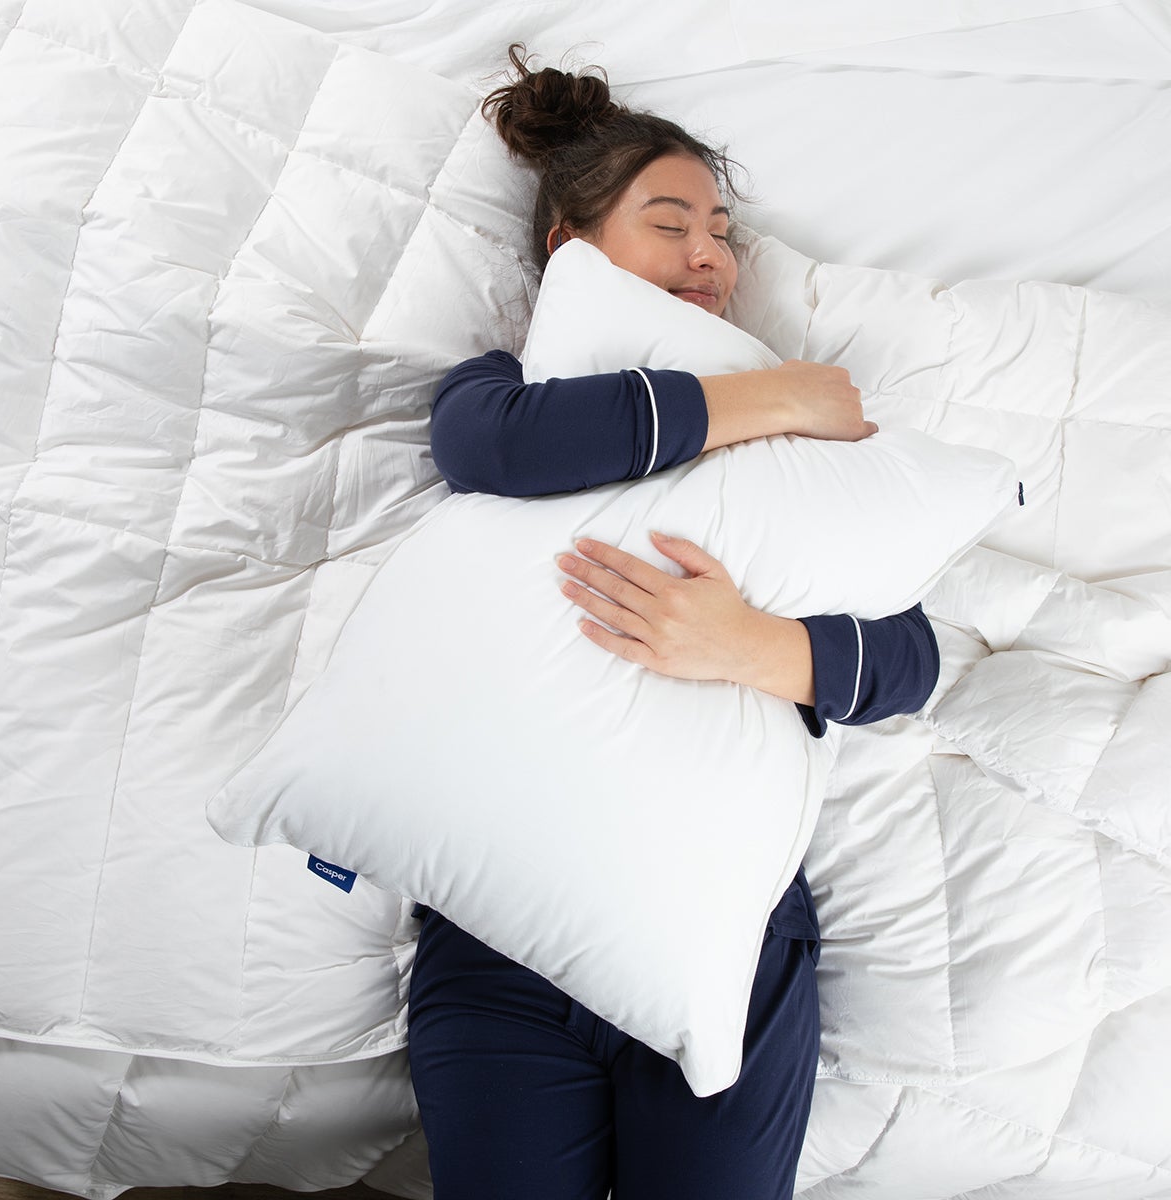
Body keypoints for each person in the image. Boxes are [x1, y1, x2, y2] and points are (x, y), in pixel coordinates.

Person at [403, 43, 941, 1200]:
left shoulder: (802, 459)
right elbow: (489, 449)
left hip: (725, 922)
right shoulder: (510, 395)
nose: (709, 253)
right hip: (501, 926)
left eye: (720, 230)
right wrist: (774, 391)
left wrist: (748, 646)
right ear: (571, 251)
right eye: (668, 223)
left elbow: (906, 658)